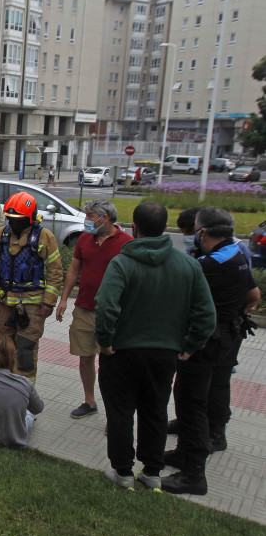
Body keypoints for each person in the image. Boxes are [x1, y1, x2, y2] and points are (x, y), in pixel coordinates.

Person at [94, 202, 216, 492]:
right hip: (164, 355)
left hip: (121, 353)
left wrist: (106, 341)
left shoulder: (122, 264)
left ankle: (123, 472)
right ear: (165, 228)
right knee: (155, 411)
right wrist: (190, 345)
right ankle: (151, 472)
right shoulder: (188, 266)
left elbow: (106, 307)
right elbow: (206, 316)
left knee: (120, 412)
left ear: (134, 227)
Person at [162, 208, 260, 495]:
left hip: (204, 341)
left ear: (202, 232)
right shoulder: (237, 252)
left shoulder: (209, 264)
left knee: (192, 403)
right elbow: (253, 295)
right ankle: (191, 449)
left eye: (193, 229)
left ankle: (193, 474)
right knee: (211, 393)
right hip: (226, 335)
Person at [54, 200, 132, 419]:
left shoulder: (126, 243)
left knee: (113, 362)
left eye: (89, 216)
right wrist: (64, 300)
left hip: (114, 313)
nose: (86, 220)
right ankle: (89, 401)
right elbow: (73, 270)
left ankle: (114, 412)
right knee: (85, 356)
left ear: (104, 218)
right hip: (84, 308)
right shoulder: (85, 239)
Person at [0, 192, 63, 382]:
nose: (13, 222)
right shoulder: (1, 234)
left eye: (18, 219)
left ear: (30, 217)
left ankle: (25, 396)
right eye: (10, 218)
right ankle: (3, 386)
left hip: (33, 306)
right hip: (5, 303)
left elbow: (55, 271)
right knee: (4, 348)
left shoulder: (45, 237)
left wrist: (49, 303)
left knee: (25, 350)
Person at [177, 206, 253, 267]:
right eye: (183, 232)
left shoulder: (237, 249)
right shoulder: (195, 248)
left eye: (189, 233)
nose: (185, 236)